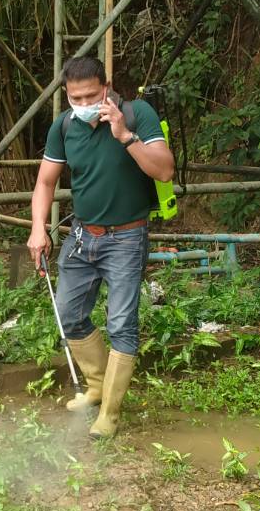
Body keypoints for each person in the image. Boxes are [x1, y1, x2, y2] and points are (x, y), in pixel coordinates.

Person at [27, 55, 176, 438]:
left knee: (121, 323)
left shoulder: (137, 113)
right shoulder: (64, 127)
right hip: (81, 234)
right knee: (69, 313)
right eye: (75, 98)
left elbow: (164, 169)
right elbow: (45, 182)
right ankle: (96, 385)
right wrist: (38, 229)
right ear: (66, 94)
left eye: (90, 95)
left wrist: (125, 135)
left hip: (127, 236)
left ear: (106, 88)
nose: (83, 104)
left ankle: (109, 413)